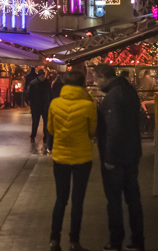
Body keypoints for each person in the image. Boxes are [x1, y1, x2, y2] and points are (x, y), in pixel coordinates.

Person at [95, 64, 144, 251]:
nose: (94, 82)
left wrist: (109, 157)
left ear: (102, 77)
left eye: (95, 78)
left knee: (114, 201)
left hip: (117, 157)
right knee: (133, 198)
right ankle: (138, 239)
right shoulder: (129, 91)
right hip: (132, 152)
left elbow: (113, 129)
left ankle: (116, 241)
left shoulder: (112, 97)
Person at [47, 70, 97, 251]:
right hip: (82, 157)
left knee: (61, 198)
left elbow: (51, 130)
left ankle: (54, 239)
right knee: (78, 200)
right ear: (83, 85)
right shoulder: (88, 105)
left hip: (60, 157)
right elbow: (92, 132)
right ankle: (74, 241)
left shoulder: (55, 103)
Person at [26, 68, 51, 149]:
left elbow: (50, 94)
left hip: (45, 106)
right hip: (36, 106)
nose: (43, 77)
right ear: (39, 76)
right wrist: (31, 104)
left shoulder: (47, 83)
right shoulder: (33, 83)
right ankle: (33, 136)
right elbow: (28, 95)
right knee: (35, 122)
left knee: (46, 123)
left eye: (44, 76)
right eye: (42, 76)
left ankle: (45, 138)